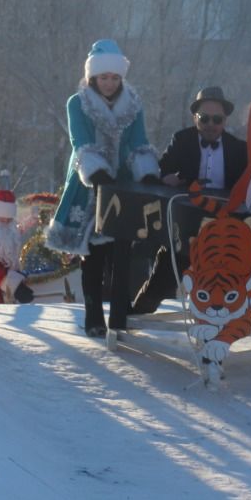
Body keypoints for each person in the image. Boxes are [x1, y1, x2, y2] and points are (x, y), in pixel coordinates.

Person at [131, 86, 251, 324]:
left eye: (217, 119)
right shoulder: (182, 140)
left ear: (225, 120)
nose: (211, 124)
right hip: (189, 226)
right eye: (205, 119)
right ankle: (137, 315)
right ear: (195, 118)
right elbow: (163, 169)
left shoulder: (238, 148)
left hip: (228, 228)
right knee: (168, 267)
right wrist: (167, 178)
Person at [47, 38, 160, 337]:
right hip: (89, 185)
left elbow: (138, 141)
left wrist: (146, 172)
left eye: (114, 77)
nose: (109, 83)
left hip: (123, 187)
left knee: (121, 252)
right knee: (93, 257)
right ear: (92, 77)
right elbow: (80, 142)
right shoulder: (78, 103)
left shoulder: (133, 105)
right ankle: (94, 315)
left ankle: (120, 315)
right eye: (103, 77)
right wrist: (97, 174)